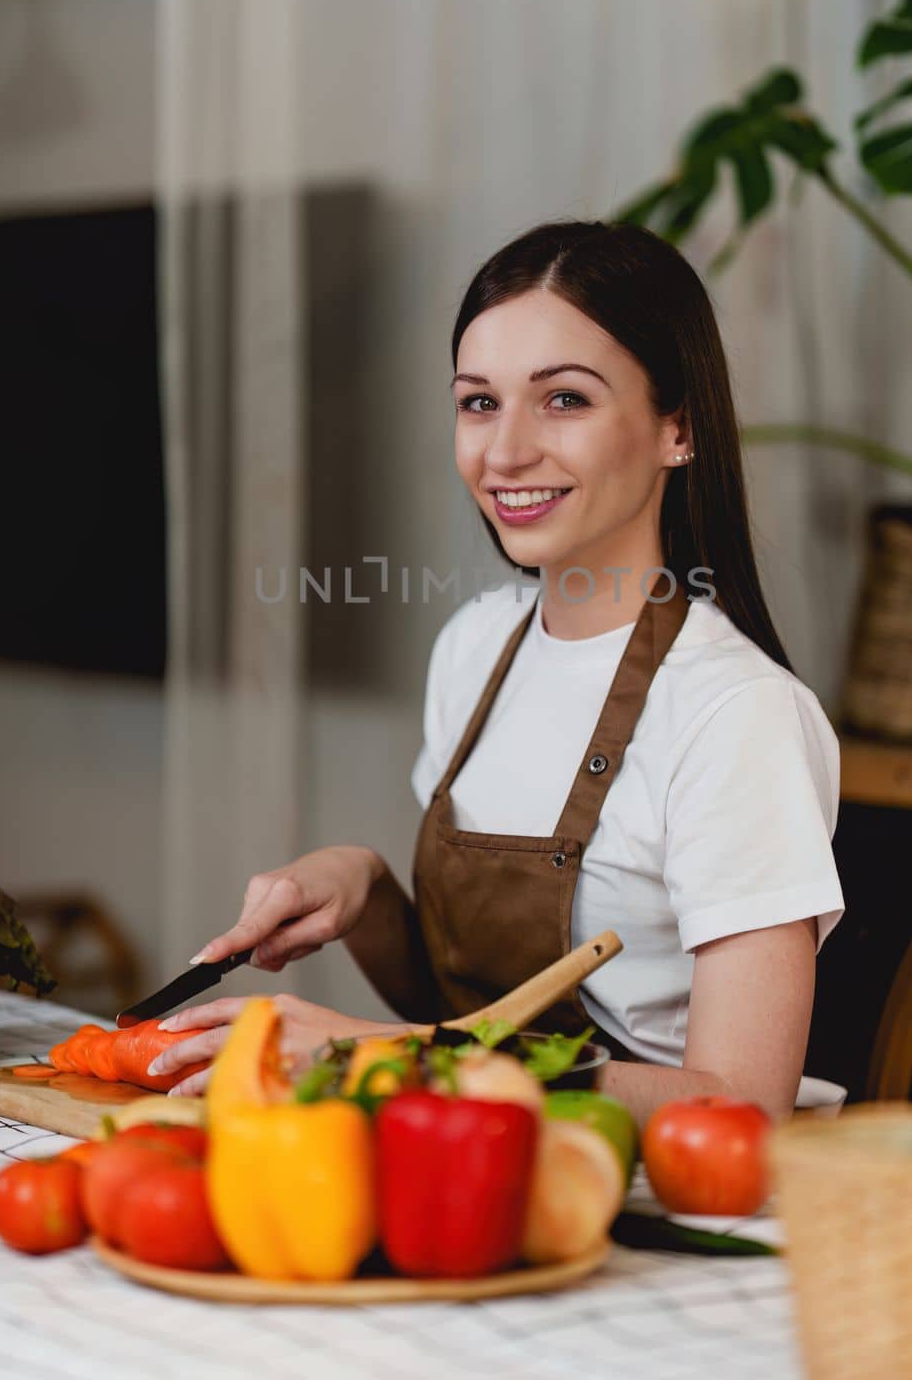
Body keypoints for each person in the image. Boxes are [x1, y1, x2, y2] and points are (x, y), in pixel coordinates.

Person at [147, 221, 844, 1124]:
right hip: (489, 1170)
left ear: (678, 427)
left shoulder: (734, 712)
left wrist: (377, 1055)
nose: (505, 451)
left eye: (564, 400)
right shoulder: (474, 648)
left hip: (664, 1211)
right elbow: (466, 1016)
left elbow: (740, 1105)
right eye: (479, 402)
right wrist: (360, 889)